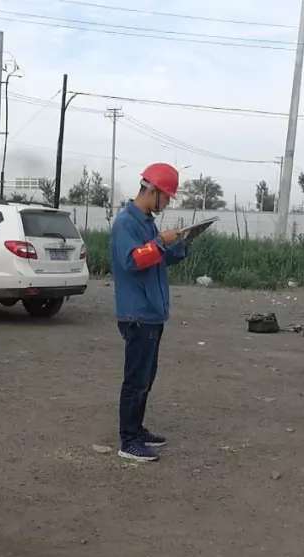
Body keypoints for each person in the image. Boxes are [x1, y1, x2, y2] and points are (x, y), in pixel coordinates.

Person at [109, 162, 189, 462]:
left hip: (152, 313)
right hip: (137, 313)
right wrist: (159, 242)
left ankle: (137, 430)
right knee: (135, 379)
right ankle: (128, 440)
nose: (167, 202)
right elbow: (132, 260)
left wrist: (181, 246)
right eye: (166, 196)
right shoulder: (126, 223)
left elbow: (157, 258)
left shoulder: (146, 222)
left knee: (146, 377)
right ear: (152, 190)